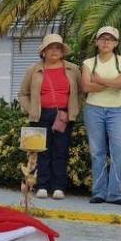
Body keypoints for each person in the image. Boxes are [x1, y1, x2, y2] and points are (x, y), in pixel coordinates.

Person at [18, 34, 82, 200]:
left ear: (62, 51)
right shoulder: (34, 70)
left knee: (61, 151)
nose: (54, 51)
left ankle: (59, 187)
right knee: (42, 152)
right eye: (51, 48)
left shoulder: (73, 69)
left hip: (64, 115)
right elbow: (23, 95)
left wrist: (74, 110)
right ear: (44, 52)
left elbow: (81, 93)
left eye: (58, 48)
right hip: (41, 115)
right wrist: (31, 110)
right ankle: (42, 186)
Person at [80, 26, 121, 205]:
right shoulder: (88, 63)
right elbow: (86, 87)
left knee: (120, 150)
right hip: (93, 109)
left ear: (116, 43)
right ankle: (99, 192)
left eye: (110, 39)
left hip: (116, 110)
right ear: (96, 42)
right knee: (98, 152)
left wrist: (99, 80)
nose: (106, 42)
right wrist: (115, 82)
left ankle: (115, 193)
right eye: (102, 38)